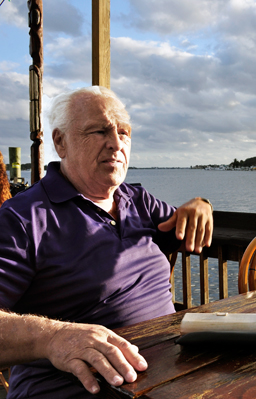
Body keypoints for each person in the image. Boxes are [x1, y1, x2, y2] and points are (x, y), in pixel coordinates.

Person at [0, 86, 213, 398]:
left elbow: (185, 231)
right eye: (99, 131)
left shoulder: (139, 201)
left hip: (174, 377)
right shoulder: (24, 218)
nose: (116, 143)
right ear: (61, 142)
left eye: (123, 132)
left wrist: (201, 205)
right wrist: (53, 338)